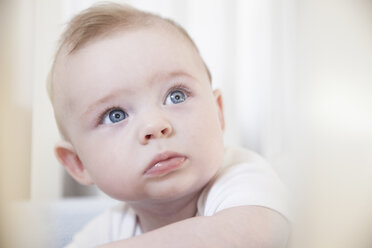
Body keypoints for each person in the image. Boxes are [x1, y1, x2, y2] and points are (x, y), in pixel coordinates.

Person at [47, 2, 290, 247]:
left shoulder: (242, 177)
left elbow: (251, 236)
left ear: (218, 113)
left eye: (176, 95)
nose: (154, 125)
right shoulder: (106, 231)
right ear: (78, 163)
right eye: (115, 115)